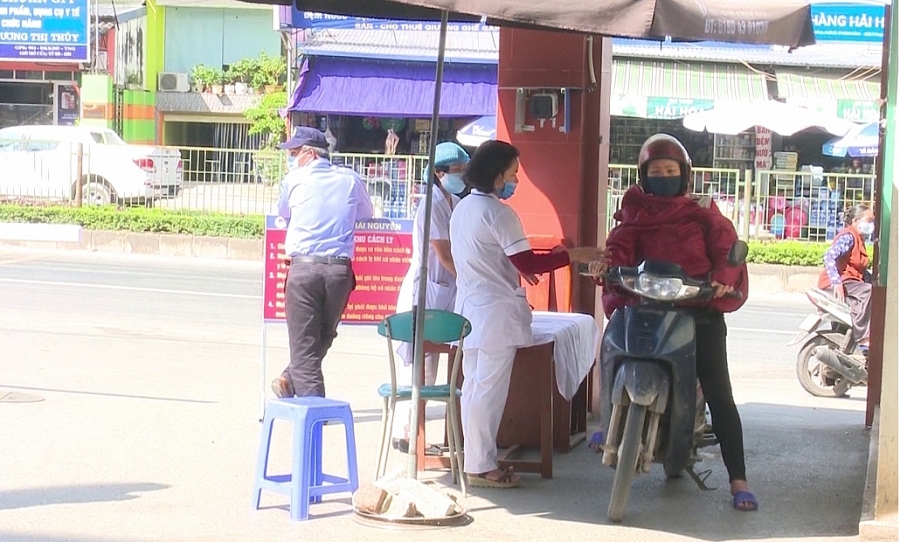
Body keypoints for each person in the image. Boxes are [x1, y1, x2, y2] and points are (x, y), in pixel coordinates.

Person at [590, 133, 756, 512]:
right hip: (645, 304)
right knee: (610, 343)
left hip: (698, 305)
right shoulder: (633, 212)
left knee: (719, 394)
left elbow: (724, 248)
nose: (663, 176)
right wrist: (607, 264)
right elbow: (619, 246)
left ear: (684, 175)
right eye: (655, 171)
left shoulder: (703, 211)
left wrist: (722, 279)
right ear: (644, 178)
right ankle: (608, 418)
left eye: (670, 170)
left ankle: (739, 481)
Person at [449, 140, 603, 488]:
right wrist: (573, 254)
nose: (515, 180)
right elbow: (529, 261)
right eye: (513, 174)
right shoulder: (498, 213)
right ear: (496, 174)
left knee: (474, 390)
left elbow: (493, 258)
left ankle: (474, 460)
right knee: (486, 394)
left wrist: (516, 265)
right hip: (493, 316)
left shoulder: (464, 208)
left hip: (471, 313)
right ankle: (480, 466)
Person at [271, 127, 374, 398]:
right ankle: (289, 378)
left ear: (310, 152)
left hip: (304, 270)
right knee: (323, 335)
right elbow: (366, 213)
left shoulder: (294, 179)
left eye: (294, 153)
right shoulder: (351, 179)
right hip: (339, 272)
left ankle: (311, 412)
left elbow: (283, 211)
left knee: (305, 344)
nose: (292, 158)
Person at [391, 142, 470, 453]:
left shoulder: (450, 199)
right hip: (430, 287)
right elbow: (443, 251)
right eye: (458, 171)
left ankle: (414, 432)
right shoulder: (431, 203)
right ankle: (408, 433)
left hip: (443, 287)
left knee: (431, 363)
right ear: (439, 173)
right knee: (422, 365)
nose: (462, 176)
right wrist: (467, 280)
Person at [818, 204, 875, 351]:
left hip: (850, 282)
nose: (871, 225)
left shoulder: (859, 239)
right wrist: (836, 282)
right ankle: (864, 338)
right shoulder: (848, 237)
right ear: (856, 221)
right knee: (868, 291)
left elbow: (859, 269)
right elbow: (829, 255)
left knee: (873, 290)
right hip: (840, 282)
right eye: (868, 220)